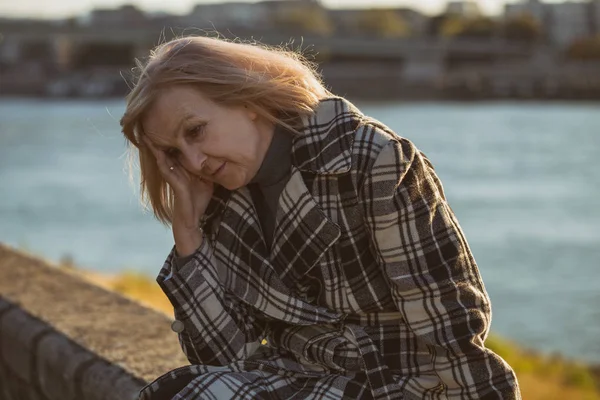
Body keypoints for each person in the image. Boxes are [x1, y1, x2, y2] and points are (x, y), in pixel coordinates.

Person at [120, 35, 520, 400]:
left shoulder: (368, 159)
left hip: (401, 384)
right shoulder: (219, 198)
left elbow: (447, 326)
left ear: (245, 98)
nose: (193, 162)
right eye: (172, 152)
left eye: (195, 131)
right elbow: (223, 355)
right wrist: (189, 235)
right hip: (296, 380)